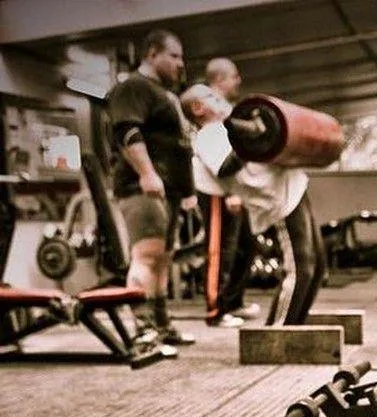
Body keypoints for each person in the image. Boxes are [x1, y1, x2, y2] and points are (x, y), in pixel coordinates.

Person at [180, 83, 326, 326]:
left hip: (294, 186)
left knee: (317, 264)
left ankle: (296, 325)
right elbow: (225, 168)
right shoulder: (209, 134)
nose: (218, 97)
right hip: (277, 201)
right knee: (301, 269)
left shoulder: (237, 125)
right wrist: (250, 140)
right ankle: (278, 332)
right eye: (209, 96)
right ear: (198, 108)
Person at [105, 27, 197, 348]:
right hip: (141, 188)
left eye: (181, 57)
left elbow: (180, 147)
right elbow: (127, 131)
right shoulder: (133, 87)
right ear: (152, 54)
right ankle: (143, 330)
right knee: (146, 256)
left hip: (168, 192)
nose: (179, 64)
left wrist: (187, 192)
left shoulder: (166, 95)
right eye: (173, 56)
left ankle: (162, 325)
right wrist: (146, 173)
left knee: (163, 260)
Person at [197, 56, 260, 328]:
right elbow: (222, 168)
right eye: (218, 102)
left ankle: (233, 302)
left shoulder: (223, 126)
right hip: (216, 196)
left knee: (246, 247)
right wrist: (231, 192)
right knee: (219, 253)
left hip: (234, 195)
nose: (225, 107)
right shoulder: (208, 131)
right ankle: (216, 311)